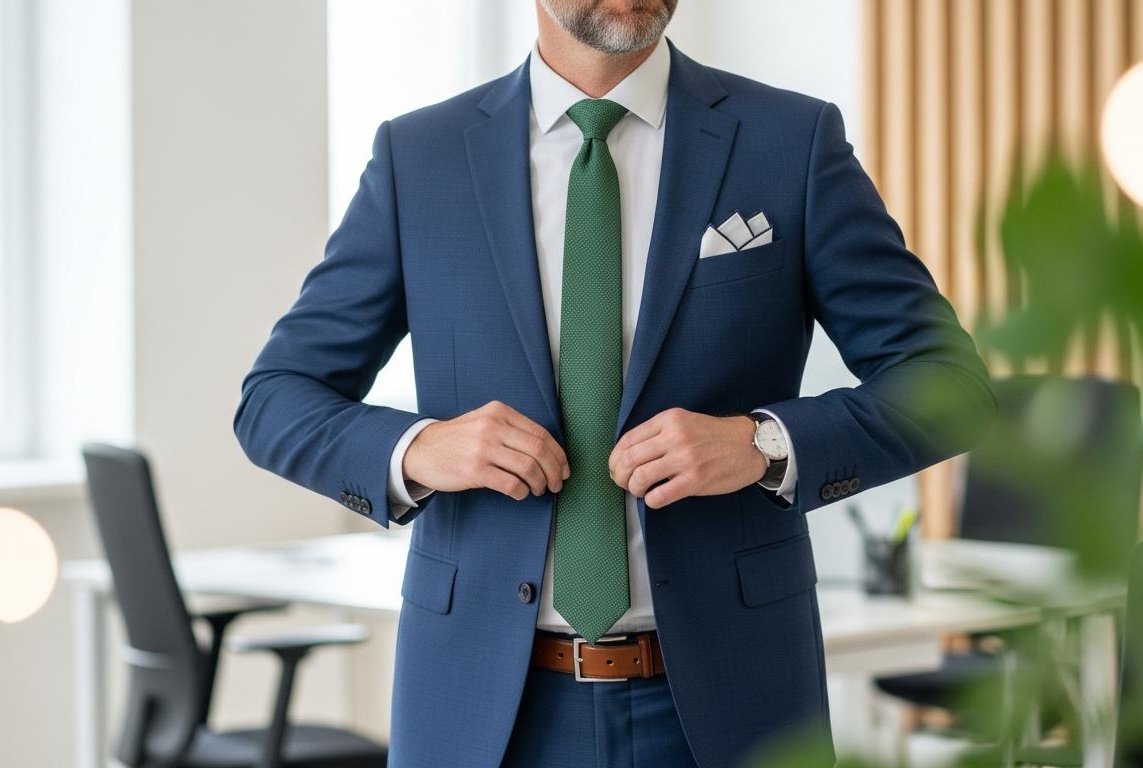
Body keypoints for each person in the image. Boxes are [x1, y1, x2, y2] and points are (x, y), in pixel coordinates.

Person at [233, 1, 994, 765]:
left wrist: (760, 443)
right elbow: (275, 397)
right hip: (480, 710)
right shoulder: (420, 157)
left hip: (731, 703)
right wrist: (421, 449)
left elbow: (947, 385)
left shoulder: (789, 142)